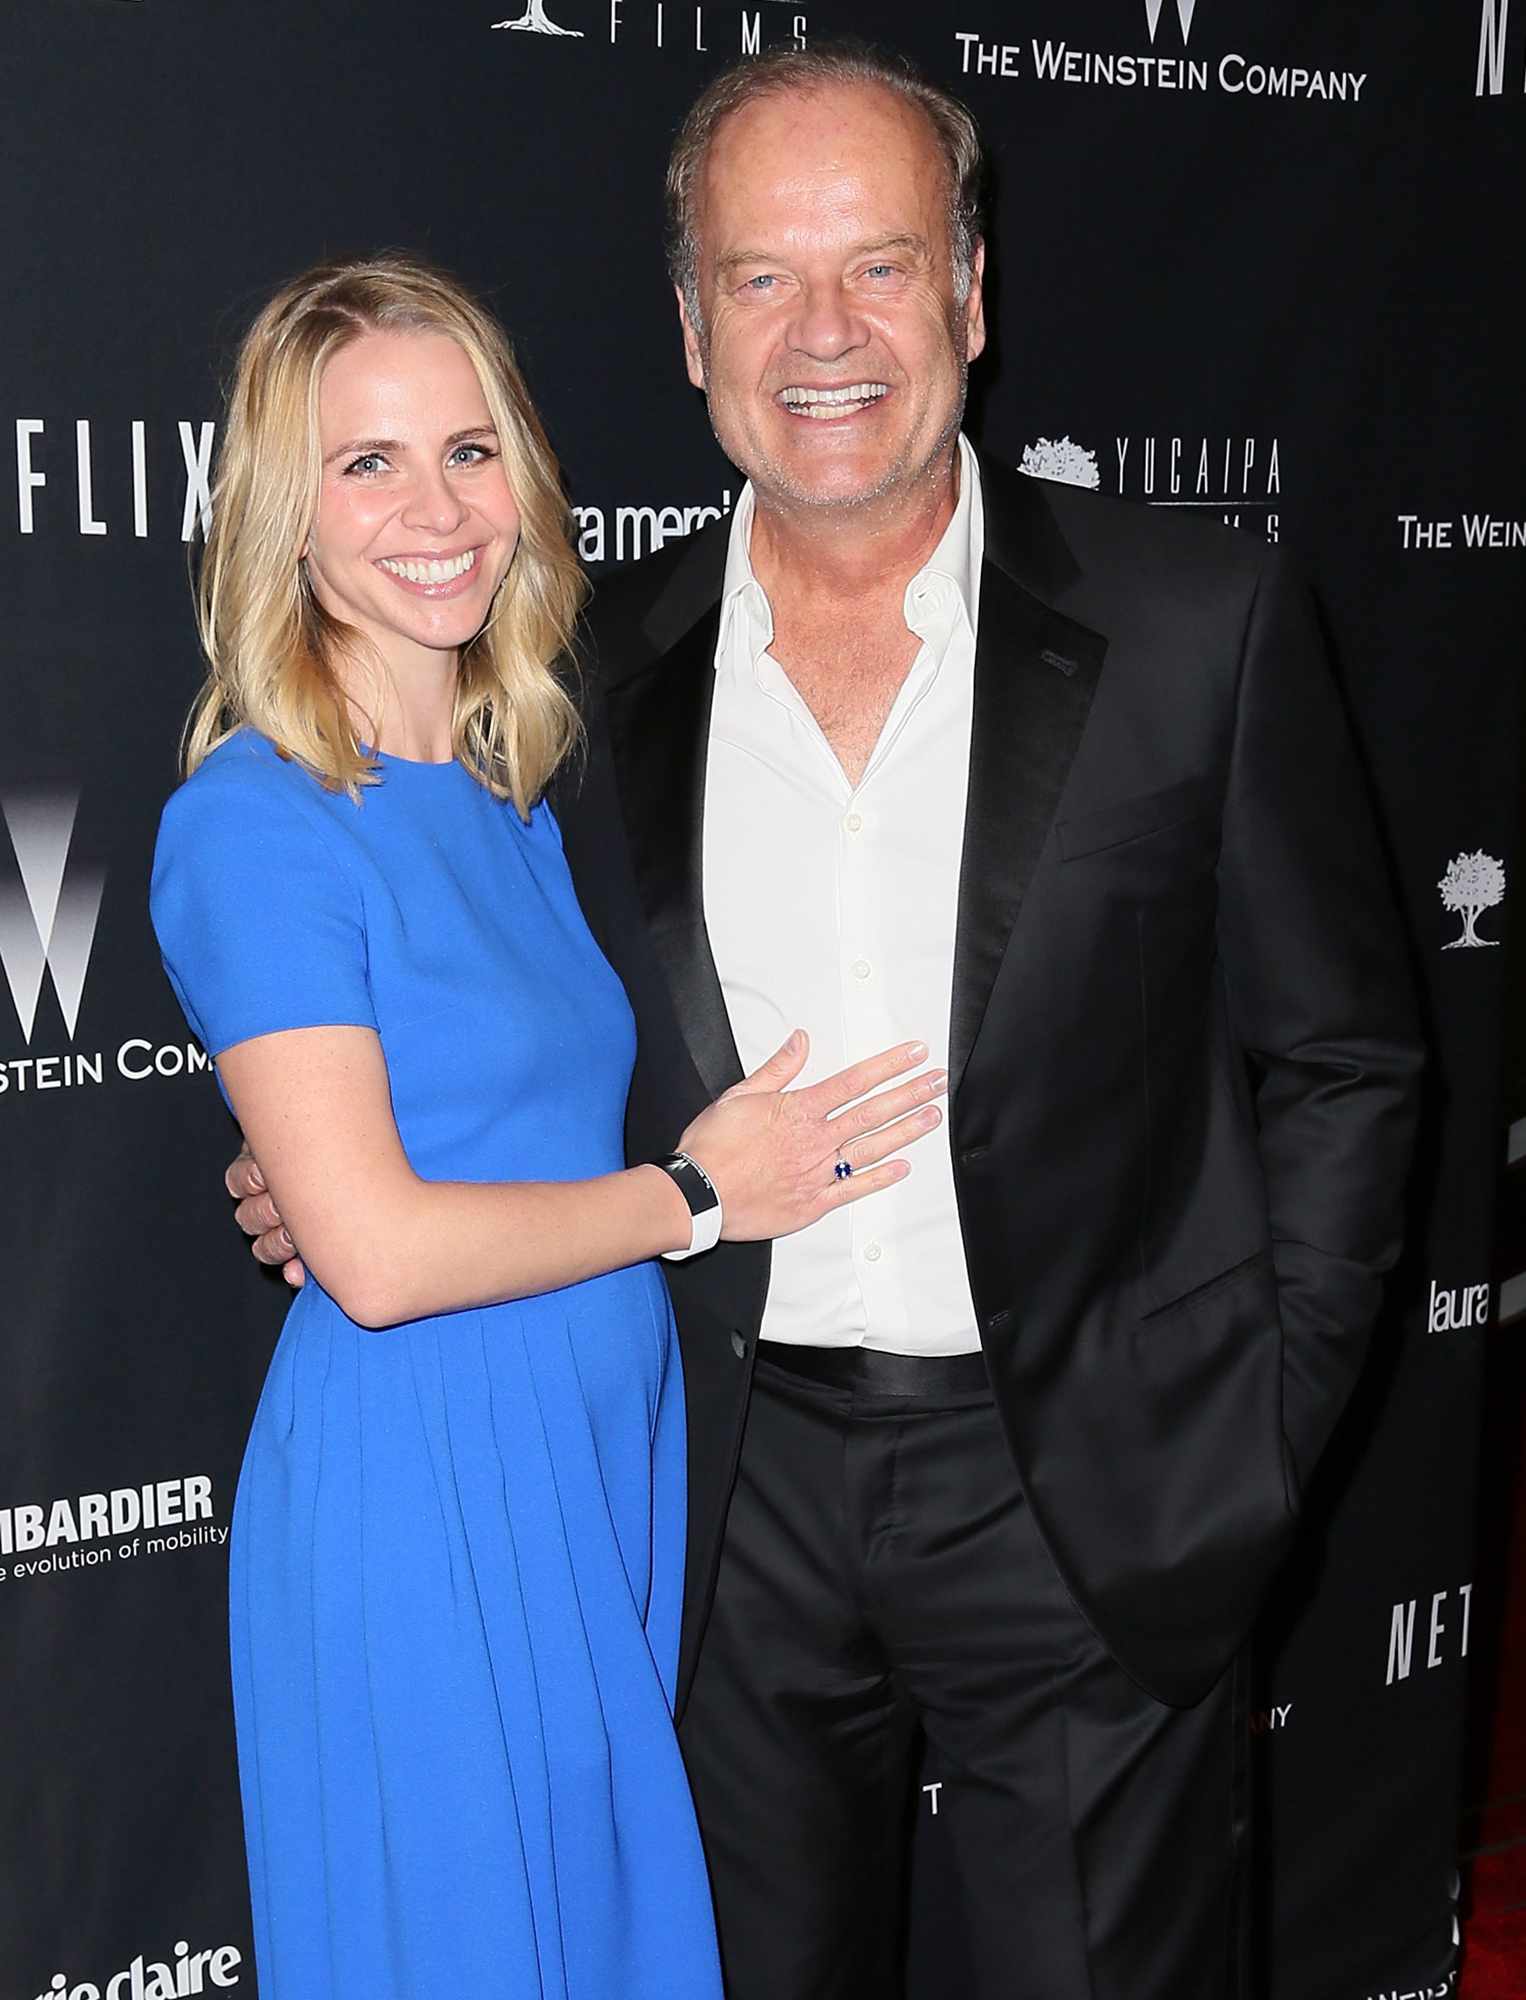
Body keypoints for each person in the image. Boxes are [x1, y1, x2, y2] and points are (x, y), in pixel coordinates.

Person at [230, 43, 1425, 2000]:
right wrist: (328, 1155)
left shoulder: (1194, 623)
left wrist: (1254, 1435)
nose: (824, 333)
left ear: (970, 292)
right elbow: (487, 994)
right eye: (761, 279)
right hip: (719, 1499)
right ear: (691, 328)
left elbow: (1349, 1064)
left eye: (877, 265)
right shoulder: (585, 675)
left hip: (1088, 1494)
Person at [152, 253, 947, 2000]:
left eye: (467, 449)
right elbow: (370, 1255)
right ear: (285, 516)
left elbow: (466, 1126)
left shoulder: (523, 796)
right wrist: (692, 1195)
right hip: (422, 1496)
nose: (433, 511)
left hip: (591, 1480)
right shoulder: (258, 822)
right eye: (364, 465)